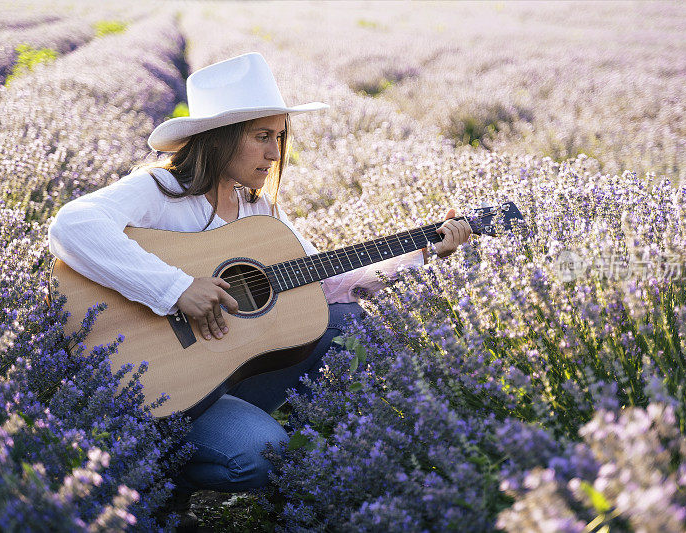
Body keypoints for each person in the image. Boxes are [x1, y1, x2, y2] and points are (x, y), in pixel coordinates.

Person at [47, 52, 471, 530]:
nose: (275, 153)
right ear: (220, 138)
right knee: (256, 455)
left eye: (280, 137)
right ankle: (150, 482)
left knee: (344, 324)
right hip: (141, 375)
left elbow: (328, 284)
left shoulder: (259, 212)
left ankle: (190, 479)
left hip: (215, 377)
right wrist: (175, 288)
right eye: (262, 137)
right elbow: (72, 223)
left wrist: (422, 253)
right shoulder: (161, 190)